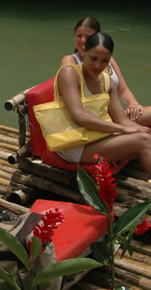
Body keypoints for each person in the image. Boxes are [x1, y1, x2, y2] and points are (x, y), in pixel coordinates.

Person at [55, 32, 151, 175]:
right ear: (83, 52)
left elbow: (122, 119)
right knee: (144, 141)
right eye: (93, 58)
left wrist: (138, 129)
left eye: (104, 61)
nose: (98, 65)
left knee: (146, 136)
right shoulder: (69, 73)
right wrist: (124, 129)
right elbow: (78, 116)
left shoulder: (106, 80)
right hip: (74, 144)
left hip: (97, 136)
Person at [61, 16, 150, 126]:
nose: (83, 40)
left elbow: (123, 89)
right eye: (79, 36)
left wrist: (133, 103)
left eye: (88, 37)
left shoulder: (109, 59)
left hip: (120, 114)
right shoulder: (70, 62)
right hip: (99, 118)